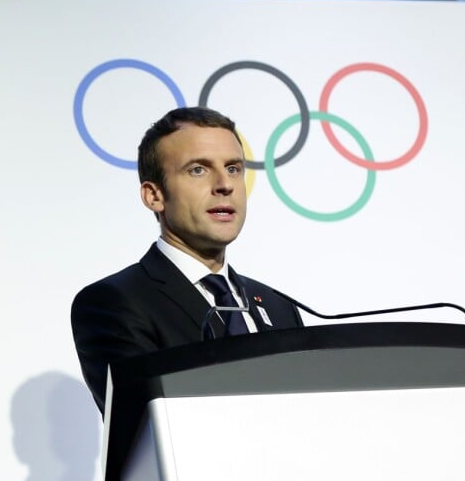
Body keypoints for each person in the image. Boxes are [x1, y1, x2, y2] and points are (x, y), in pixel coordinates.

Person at [71, 107, 303, 415]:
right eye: (198, 170)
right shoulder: (114, 303)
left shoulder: (278, 306)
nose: (225, 184)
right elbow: (149, 426)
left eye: (233, 168)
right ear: (154, 195)